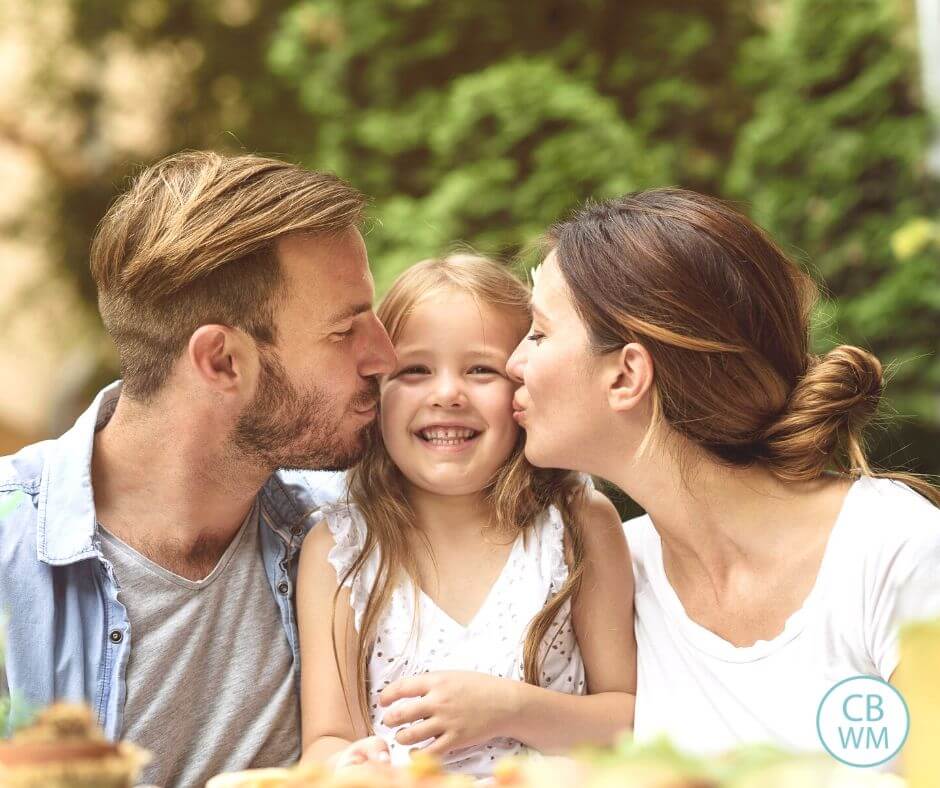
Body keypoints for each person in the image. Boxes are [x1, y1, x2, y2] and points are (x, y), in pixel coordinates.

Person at [0, 151, 396, 787]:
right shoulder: (8, 552)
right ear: (222, 363)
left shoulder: (348, 526)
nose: (385, 355)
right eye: (345, 330)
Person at [506, 188, 940, 757]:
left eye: (538, 333)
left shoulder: (892, 546)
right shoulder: (613, 578)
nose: (512, 362)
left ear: (626, 376)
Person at [297, 255, 636, 777]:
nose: (448, 394)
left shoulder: (576, 524)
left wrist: (511, 708)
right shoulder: (339, 549)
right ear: (378, 394)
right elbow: (328, 738)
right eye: (415, 370)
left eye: (481, 370)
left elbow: (631, 720)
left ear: (522, 387)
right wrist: (349, 765)